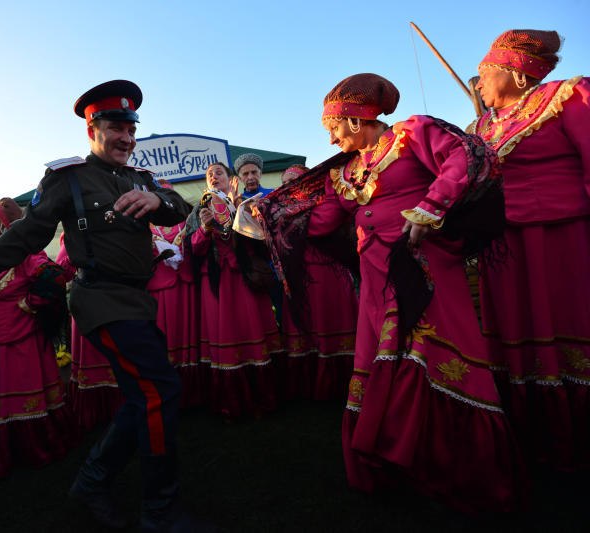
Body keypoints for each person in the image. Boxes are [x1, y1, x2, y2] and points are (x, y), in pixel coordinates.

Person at [0, 80, 200, 531]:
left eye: (131, 129)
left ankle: (92, 483)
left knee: (139, 396)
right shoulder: (67, 178)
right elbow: (27, 233)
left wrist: (157, 198)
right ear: (92, 129)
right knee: (160, 388)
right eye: (115, 127)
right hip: (101, 299)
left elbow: (180, 208)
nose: (126, 138)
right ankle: (161, 511)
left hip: (136, 300)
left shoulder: (138, 178)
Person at [304, 74, 524, 511]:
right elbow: (321, 223)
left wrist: (430, 206)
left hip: (423, 269)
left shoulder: (412, 133)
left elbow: (461, 157)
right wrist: (266, 218)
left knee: (430, 355)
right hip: (376, 282)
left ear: (351, 118)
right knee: (384, 360)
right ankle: (391, 460)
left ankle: (453, 468)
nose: (328, 137)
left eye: (331, 126)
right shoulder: (343, 172)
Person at [468, 29, 590, 470]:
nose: (478, 85)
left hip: (563, 237)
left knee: (567, 319)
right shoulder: (481, 126)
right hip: (502, 245)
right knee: (513, 331)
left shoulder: (567, 96)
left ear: (515, 74)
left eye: (483, 75)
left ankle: (574, 436)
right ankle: (527, 431)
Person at [0, 198, 79, 478]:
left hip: (22, 339)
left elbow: (55, 277)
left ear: (4, 227)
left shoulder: (26, 255)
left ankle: (32, 446)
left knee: (22, 390)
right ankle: (1, 448)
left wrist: (29, 304)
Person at [187, 162, 281, 419]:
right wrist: (206, 229)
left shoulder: (245, 202)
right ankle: (232, 400)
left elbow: (263, 240)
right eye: (209, 175)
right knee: (226, 333)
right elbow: (192, 250)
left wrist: (250, 216)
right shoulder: (198, 211)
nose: (214, 177)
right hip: (218, 284)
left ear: (231, 180)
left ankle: (265, 395)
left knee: (253, 328)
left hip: (246, 279)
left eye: (219, 173)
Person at [272, 164, 359, 401]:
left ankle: (337, 386)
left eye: (294, 181)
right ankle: (306, 388)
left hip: (329, 275)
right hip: (298, 277)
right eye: (285, 182)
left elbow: (324, 225)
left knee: (330, 324)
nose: (288, 186)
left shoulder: (325, 201)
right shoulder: (280, 211)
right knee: (305, 329)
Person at [55, 235, 124, 431]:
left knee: (107, 353)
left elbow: (62, 271)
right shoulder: (75, 234)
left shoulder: (74, 235)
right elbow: (63, 271)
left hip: (101, 300)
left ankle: (108, 411)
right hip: (107, 301)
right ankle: (120, 408)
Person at [147, 181, 202, 407]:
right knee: (164, 339)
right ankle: (168, 394)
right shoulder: (144, 224)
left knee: (188, 334)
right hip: (160, 287)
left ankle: (193, 392)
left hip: (185, 283)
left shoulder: (187, 219)